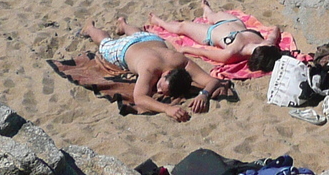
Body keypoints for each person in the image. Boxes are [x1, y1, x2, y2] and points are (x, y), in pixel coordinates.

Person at [82, 18, 232, 120]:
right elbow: (139, 98)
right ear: (166, 74)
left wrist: (204, 94)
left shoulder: (181, 61)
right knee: (105, 42)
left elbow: (213, 81)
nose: (158, 90)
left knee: (137, 33)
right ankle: (90, 28)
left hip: (150, 39)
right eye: (161, 85)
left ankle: (123, 24)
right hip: (124, 49)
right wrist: (166, 109)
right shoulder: (150, 70)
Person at [147, 2, 287, 68]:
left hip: (210, 33)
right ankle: (208, 12)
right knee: (214, 15)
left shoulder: (232, 53)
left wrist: (185, 49)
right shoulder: (267, 45)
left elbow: (204, 52)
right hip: (233, 22)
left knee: (181, 26)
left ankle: (159, 22)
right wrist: (275, 29)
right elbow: (275, 32)